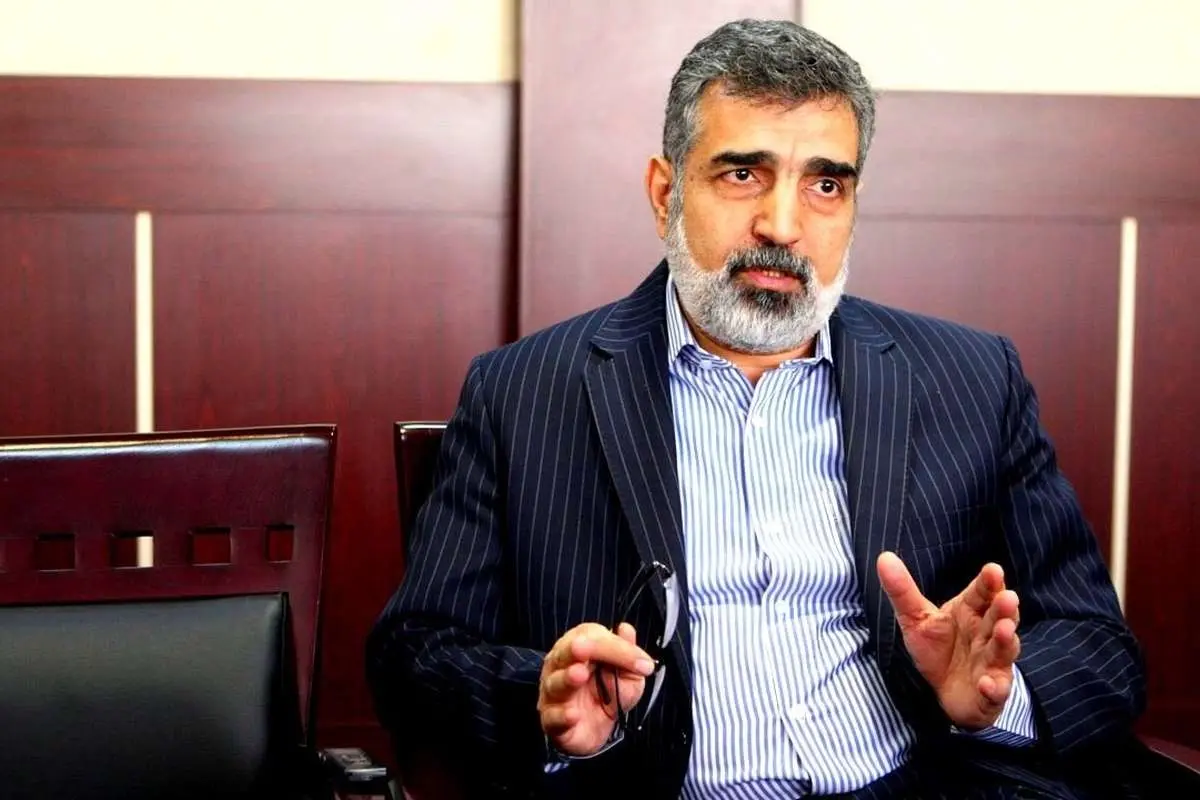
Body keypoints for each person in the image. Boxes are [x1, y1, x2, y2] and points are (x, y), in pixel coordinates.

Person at [367, 18, 1146, 799]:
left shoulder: (973, 378)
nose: (783, 225)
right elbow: (414, 652)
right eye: (743, 174)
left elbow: (1100, 645)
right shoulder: (521, 393)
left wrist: (996, 699)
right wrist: (540, 695)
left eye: (825, 184)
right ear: (666, 193)